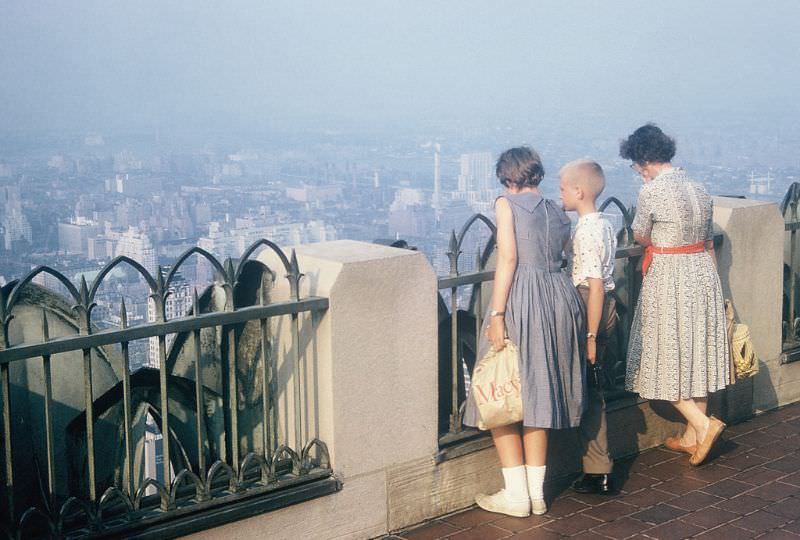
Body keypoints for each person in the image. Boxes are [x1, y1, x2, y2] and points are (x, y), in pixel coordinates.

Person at [463, 147, 586, 517]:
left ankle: (516, 495)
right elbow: (564, 254)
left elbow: (510, 258)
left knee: (498, 390)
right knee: (539, 395)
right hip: (559, 297)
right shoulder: (555, 209)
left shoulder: (506, 204)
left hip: (523, 299)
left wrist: (497, 313)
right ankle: (536, 495)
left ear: (507, 177)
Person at [622, 124, 729, 466]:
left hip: (671, 275)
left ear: (645, 160)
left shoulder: (651, 192)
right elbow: (708, 241)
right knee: (696, 356)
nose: (638, 171)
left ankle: (703, 425)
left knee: (661, 355)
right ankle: (692, 437)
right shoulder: (699, 188)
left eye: (636, 164)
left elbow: (641, 235)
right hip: (702, 273)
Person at [560, 159, 618, 494]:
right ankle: (597, 467)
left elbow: (594, 284)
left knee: (588, 391)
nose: (561, 194)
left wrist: (590, 336)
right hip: (604, 305)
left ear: (579, 191)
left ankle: (597, 470)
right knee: (593, 389)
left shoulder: (587, 230)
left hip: (589, 307)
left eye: (564, 188)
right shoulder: (605, 224)